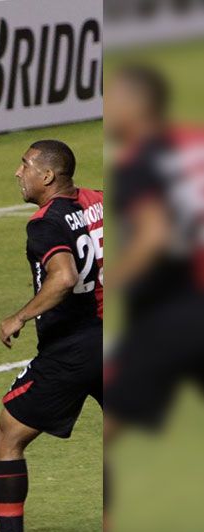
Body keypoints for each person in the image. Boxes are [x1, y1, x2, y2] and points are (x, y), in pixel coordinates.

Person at [0, 140, 103, 532]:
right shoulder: (98, 201)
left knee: (8, 437)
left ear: (47, 176)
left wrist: (19, 316)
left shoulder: (44, 224)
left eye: (24, 165)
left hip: (73, 351)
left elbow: (62, 278)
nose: (17, 172)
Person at [103, 64, 204, 439]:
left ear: (137, 104)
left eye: (111, 96)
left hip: (177, 312)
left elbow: (153, 236)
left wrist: (113, 280)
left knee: (110, 420)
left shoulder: (140, 161)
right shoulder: (196, 139)